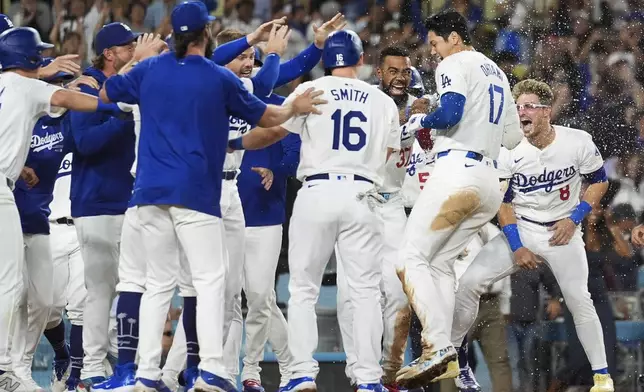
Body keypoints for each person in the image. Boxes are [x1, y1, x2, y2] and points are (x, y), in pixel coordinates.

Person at [99, 1, 324, 390]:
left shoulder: (149, 69)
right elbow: (267, 116)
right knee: (209, 282)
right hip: (195, 194)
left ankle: (148, 374)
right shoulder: (216, 78)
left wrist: (134, 61)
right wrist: (294, 107)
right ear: (205, 33)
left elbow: (106, 92)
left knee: (156, 284)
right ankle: (212, 369)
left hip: (148, 194)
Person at [229, 29, 401, 392]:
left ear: (326, 60)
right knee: (366, 291)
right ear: (361, 60)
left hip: (318, 191)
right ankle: (369, 378)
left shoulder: (310, 91)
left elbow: (274, 132)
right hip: (362, 195)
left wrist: (231, 142)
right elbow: (388, 156)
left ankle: (304, 374)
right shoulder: (381, 101)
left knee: (303, 289)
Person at [450, 79, 614, 392]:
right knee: (469, 283)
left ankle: (602, 376)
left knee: (580, 298)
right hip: (522, 226)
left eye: (528, 106)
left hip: (562, 232)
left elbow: (599, 181)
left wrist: (575, 217)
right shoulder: (508, 149)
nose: (521, 112)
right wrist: (517, 246)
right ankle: (457, 361)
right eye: (518, 107)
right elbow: (504, 202)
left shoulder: (576, 141)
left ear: (546, 112)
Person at [0, 26, 134, 392]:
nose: (44, 59)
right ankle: (4, 369)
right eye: (39, 55)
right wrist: (120, 103)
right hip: (5, 193)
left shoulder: (7, 83)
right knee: (10, 283)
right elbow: (80, 102)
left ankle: (12, 370)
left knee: (29, 293)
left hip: (15, 192)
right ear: (27, 59)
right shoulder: (28, 87)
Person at [392, 11, 522, 389]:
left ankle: (438, 347)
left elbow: (449, 112)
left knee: (408, 258)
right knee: (441, 266)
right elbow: (512, 138)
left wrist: (419, 121)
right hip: (487, 183)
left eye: (434, 43)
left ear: (453, 37)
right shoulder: (496, 70)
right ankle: (450, 351)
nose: (433, 52)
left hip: (456, 172)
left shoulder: (453, 62)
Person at [67, 22, 158, 389]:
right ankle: (91, 366)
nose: (135, 49)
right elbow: (85, 143)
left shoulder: (136, 84)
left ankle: (126, 366)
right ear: (110, 53)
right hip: (97, 200)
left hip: (134, 200)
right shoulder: (87, 85)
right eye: (128, 45)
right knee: (101, 290)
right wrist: (123, 114)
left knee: (137, 289)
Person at [334, 44, 421, 392]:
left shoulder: (420, 104)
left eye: (405, 71)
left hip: (393, 206)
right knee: (350, 294)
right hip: (359, 203)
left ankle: (388, 374)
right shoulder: (365, 99)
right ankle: (358, 375)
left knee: (400, 295)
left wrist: (425, 118)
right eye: (393, 71)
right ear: (379, 72)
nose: (400, 77)